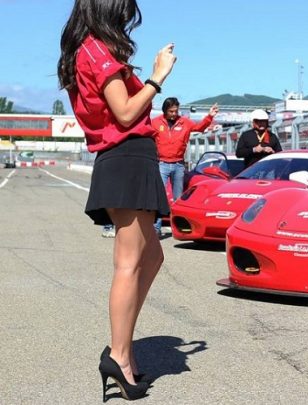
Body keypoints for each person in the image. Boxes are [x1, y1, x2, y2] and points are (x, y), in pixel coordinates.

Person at [58, 0, 175, 400]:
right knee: (128, 262)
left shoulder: (87, 49)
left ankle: (121, 347)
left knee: (153, 256)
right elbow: (125, 113)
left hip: (133, 157)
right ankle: (120, 354)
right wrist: (158, 78)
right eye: (123, 12)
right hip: (125, 157)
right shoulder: (96, 50)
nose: (127, 20)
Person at [151, 98, 219, 236]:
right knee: (159, 196)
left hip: (178, 165)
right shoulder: (156, 123)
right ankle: (156, 228)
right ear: (165, 111)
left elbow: (199, 128)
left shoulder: (185, 122)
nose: (174, 114)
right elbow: (147, 137)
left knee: (178, 199)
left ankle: (177, 227)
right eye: (171, 111)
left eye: (176, 111)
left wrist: (210, 116)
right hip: (162, 164)